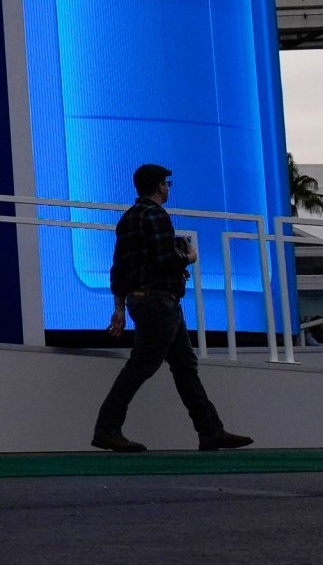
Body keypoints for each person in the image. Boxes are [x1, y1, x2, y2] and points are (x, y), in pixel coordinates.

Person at [91, 163, 252, 453]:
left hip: (145, 300)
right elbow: (164, 260)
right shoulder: (157, 216)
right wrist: (189, 257)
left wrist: (119, 308)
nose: (168, 188)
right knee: (143, 365)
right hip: (159, 302)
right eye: (166, 183)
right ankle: (107, 428)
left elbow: (119, 267)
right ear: (158, 186)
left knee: (184, 366)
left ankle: (210, 430)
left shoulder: (127, 218)